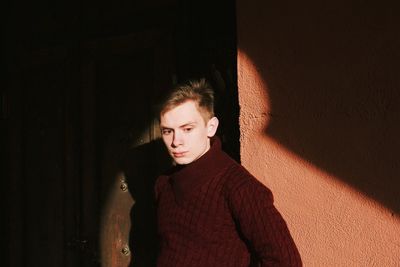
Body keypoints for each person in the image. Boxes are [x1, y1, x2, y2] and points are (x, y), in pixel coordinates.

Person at [154, 79, 302, 266]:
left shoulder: (239, 187)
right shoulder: (164, 184)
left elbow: (286, 261)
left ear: (211, 127)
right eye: (167, 131)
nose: (176, 141)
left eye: (187, 129)